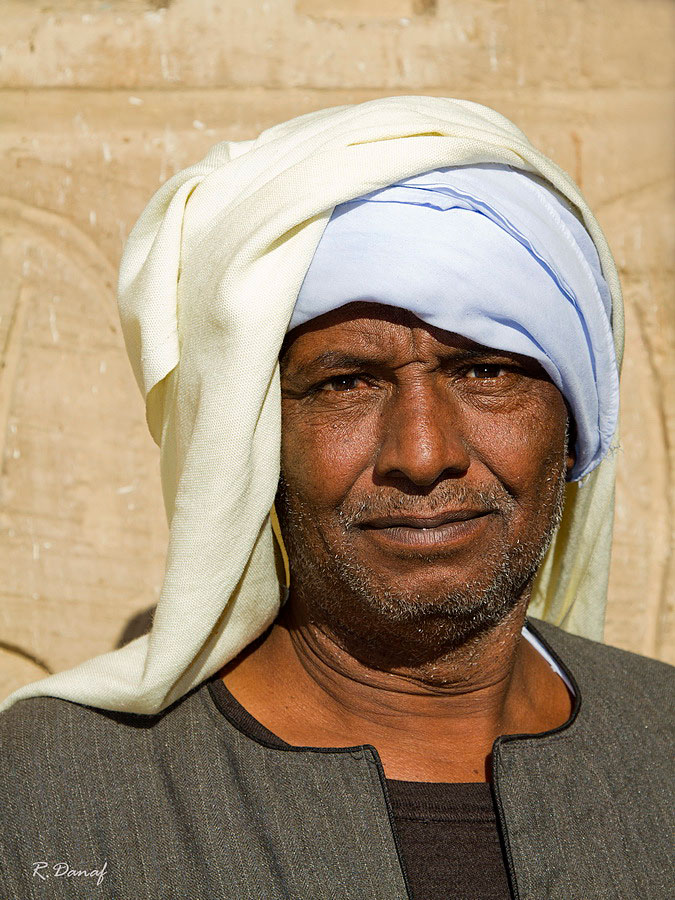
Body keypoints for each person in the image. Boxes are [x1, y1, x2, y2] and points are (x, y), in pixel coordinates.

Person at [0, 97, 672, 900]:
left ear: (572, 426)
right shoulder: (52, 801)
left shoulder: (658, 746)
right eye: (346, 383)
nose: (423, 456)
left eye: (485, 372)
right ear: (253, 440)